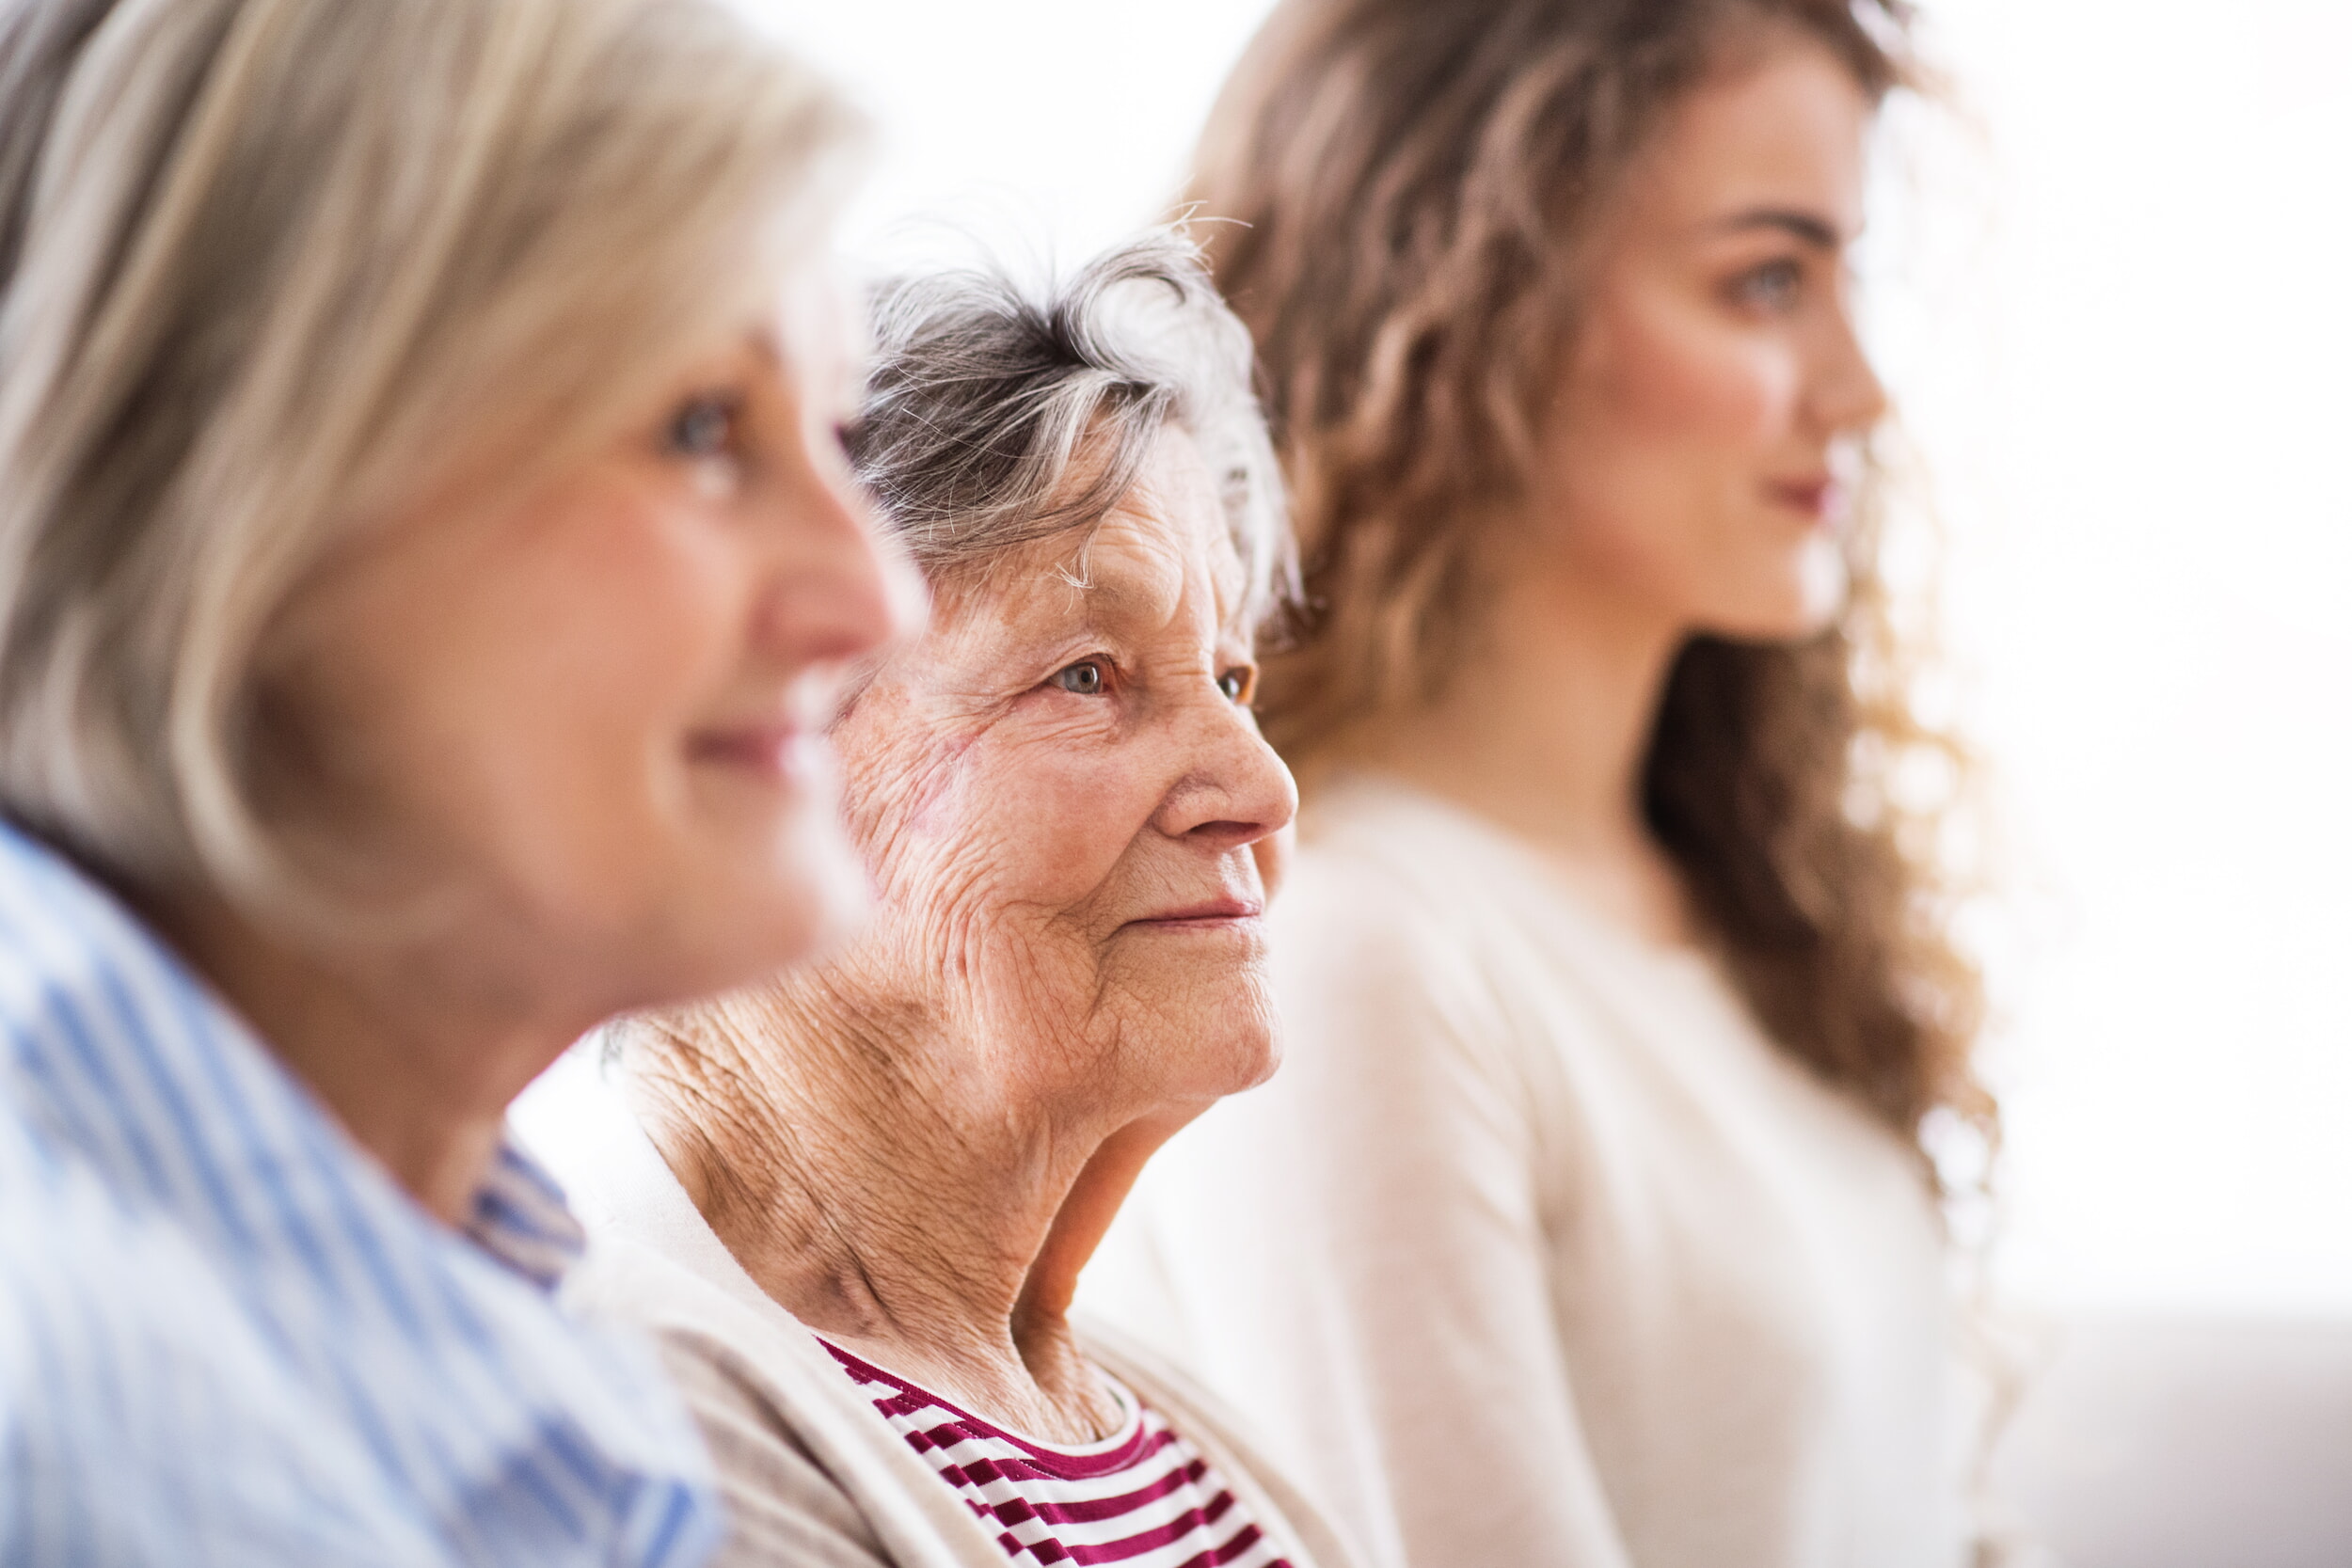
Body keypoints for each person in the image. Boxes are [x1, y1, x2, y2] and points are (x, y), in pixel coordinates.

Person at [0, 0, 918, 1561]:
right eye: (701, 425)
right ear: (237, 497)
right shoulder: (103, 1417)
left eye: (832, 434)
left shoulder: (445, 1315)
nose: (878, 601)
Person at [1084, 3, 1993, 1566]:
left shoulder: (1732, 909)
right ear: (1474, 301)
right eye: (1766, 282)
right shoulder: (1348, 951)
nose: (1858, 391)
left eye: (1853, 279)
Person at [522, 236, 1359, 1568]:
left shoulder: (1162, 1442)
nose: (1258, 787)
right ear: (752, 750)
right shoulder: (637, 1429)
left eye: (1233, 679)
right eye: (1088, 676)